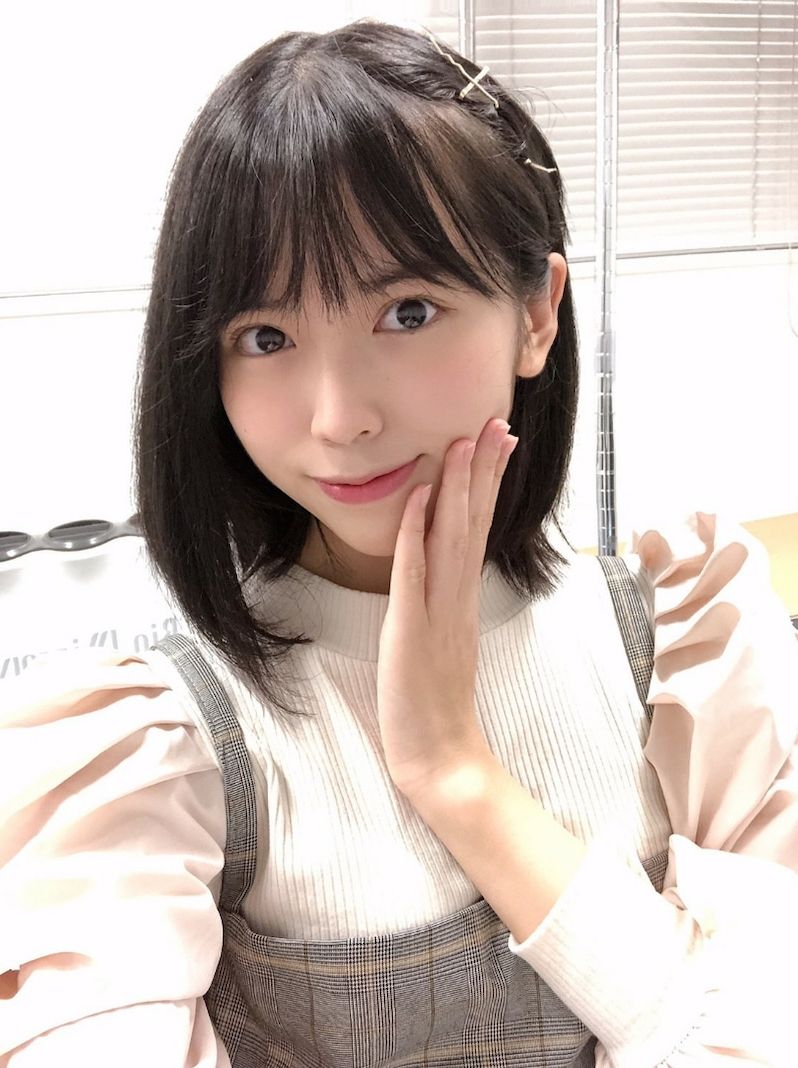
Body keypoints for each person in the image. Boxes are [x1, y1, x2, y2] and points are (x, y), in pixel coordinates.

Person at [1, 18, 797, 1068]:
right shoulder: (158, 746)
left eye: (408, 311)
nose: (339, 419)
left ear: (536, 314)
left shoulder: (688, 644)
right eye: (267, 337)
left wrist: (456, 771)